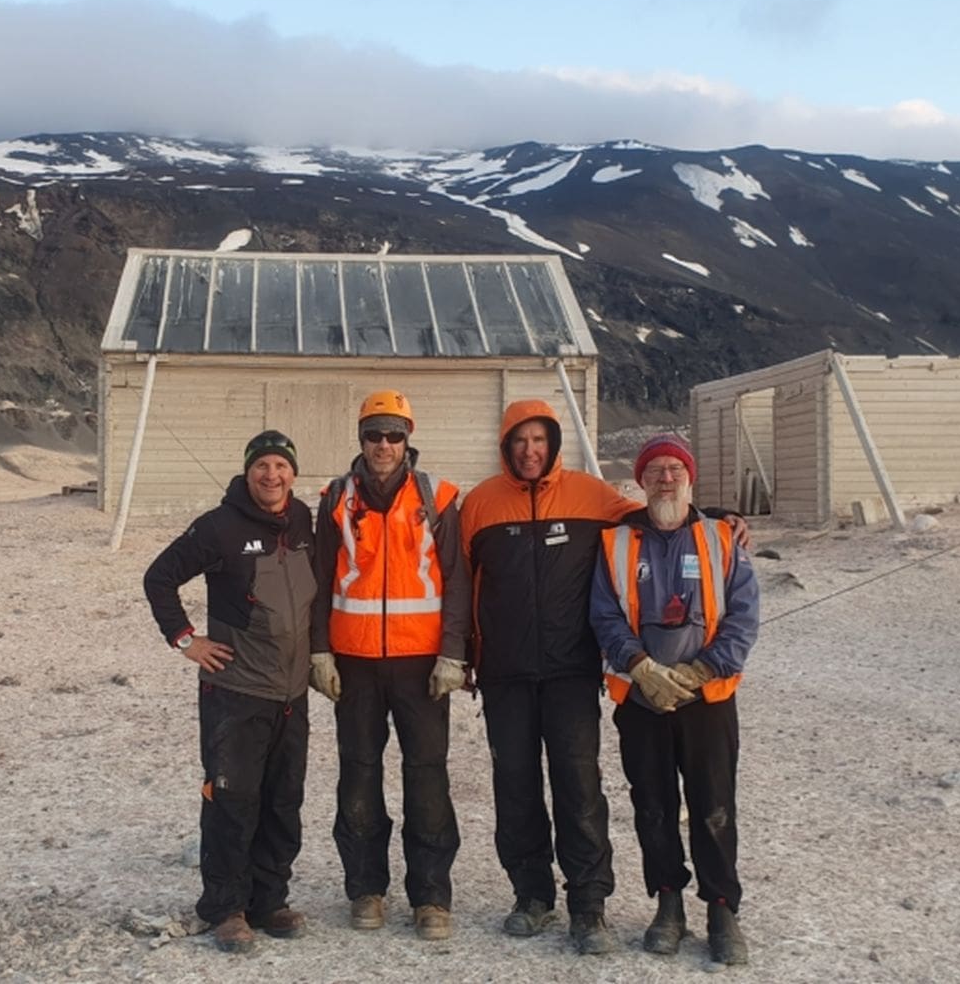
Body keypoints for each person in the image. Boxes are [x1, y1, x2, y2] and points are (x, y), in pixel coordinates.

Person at [458, 398, 637, 954]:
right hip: (504, 673)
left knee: (578, 784)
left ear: (553, 444)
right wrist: (463, 654)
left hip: (571, 670)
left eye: (539, 440)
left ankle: (588, 904)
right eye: (520, 441)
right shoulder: (480, 504)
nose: (530, 451)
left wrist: (718, 517)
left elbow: (651, 518)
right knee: (514, 784)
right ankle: (531, 894)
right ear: (506, 445)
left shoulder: (591, 494)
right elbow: (461, 584)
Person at [143, 430, 317, 955]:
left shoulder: (304, 520)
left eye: (280, 466)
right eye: (262, 466)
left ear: (293, 472)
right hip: (236, 691)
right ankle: (225, 907)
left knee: (283, 799)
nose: (272, 475)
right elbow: (159, 577)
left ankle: (269, 900)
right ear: (247, 472)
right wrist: (186, 640)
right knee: (232, 800)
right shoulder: (218, 527)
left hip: (291, 693)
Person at [589, 432, 761, 966]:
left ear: (691, 478)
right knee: (654, 806)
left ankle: (721, 906)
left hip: (707, 699)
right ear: (639, 481)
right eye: (655, 470)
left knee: (713, 806)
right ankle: (668, 903)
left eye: (675, 469)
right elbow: (604, 614)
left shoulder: (723, 538)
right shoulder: (615, 543)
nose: (666, 478)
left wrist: (704, 668)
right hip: (643, 701)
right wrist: (640, 667)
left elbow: (744, 613)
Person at [309, 389, 471, 940]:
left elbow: (458, 581)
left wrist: (454, 652)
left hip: (422, 665)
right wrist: (318, 650)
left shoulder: (438, 497)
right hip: (353, 663)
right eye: (374, 434)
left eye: (394, 434)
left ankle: (430, 896)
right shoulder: (335, 498)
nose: (384, 444)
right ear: (361, 438)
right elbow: (319, 580)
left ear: (409, 438)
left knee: (426, 777)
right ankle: (366, 889)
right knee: (359, 772)